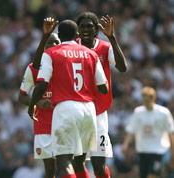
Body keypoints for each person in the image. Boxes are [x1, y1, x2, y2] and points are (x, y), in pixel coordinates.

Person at [28, 19, 109, 178]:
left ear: (59, 35)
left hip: (66, 108)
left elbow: (42, 84)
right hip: (88, 109)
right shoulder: (91, 53)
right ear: (77, 34)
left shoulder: (51, 53)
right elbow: (103, 88)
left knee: (64, 163)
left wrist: (32, 105)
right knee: (80, 160)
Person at [74, 12, 127, 178]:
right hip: (77, 110)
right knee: (77, 161)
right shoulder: (72, 48)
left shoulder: (104, 47)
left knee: (98, 165)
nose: (86, 30)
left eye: (90, 26)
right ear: (77, 30)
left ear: (96, 30)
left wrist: (112, 38)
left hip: (98, 112)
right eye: (82, 26)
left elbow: (122, 67)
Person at [19, 17, 60, 178]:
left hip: (64, 120)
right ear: (43, 48)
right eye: (50, 43)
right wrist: (37, 102)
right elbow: (21, 97)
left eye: (57, 43)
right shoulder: (33, 68)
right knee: (50, 168)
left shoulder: (66, 66)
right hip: (43, 124)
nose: (54, 47)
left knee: (68, 163)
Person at [122, 86, 174, 178]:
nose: (146, 102)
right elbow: (131, 130)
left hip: (158, 150)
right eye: (144, 100)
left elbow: (170, 133)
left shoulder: (163, 113)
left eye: (148, 99)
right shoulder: (138, 112)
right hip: (143, 150)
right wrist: (125, 144)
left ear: (154, 98)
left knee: (152, 176)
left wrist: (173, 151)